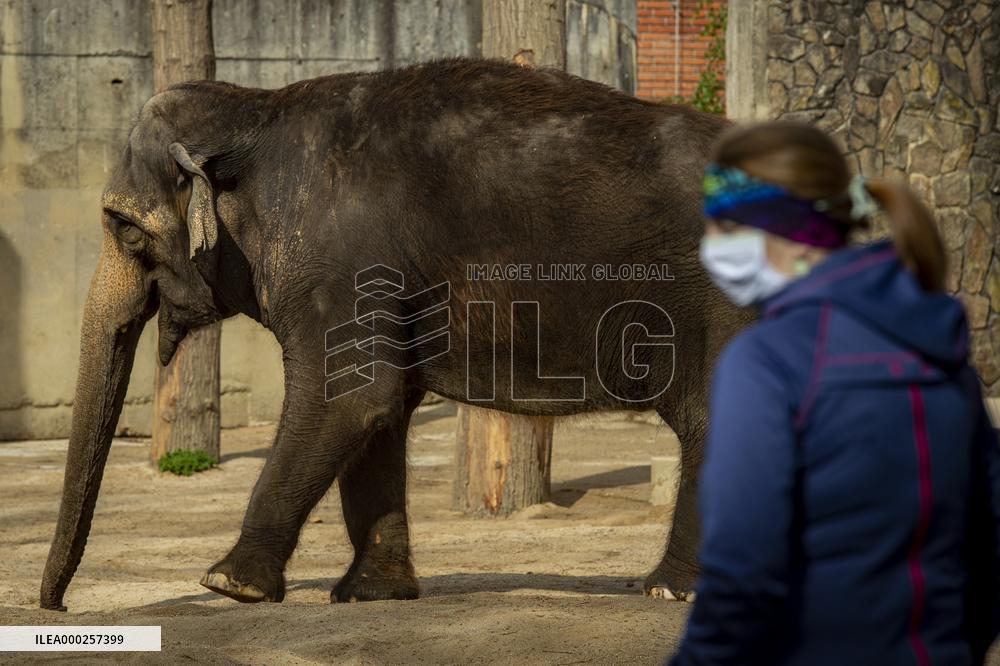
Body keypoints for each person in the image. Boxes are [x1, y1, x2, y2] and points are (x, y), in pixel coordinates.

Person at [669, 121, 1000, 666]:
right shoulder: (941, 348)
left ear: (777, 228)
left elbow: (741, 580)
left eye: (723, 226)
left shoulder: (767, 363)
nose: (709, 248)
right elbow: (989, 547)